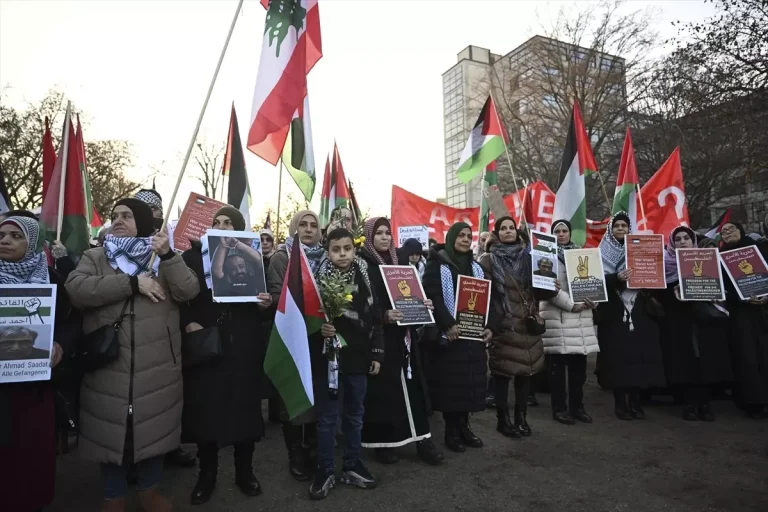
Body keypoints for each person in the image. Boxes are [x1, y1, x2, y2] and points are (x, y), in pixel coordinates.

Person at [65, 198, 199, 511]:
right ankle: (115, 496)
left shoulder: (163, 258)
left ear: (143, 219)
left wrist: (167, 256)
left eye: (127, 215)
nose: (118, 220)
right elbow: (77, 289)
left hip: (157, 367)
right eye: (114, 216)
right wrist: (131, 283)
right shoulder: (96, 256)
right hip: (108, 366)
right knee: (110, 434)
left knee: (153, 430)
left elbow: (188, 291)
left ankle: (149, 491)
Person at [179, 206, 273, 505]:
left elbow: (265, 295)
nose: (221, 226)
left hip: (245, 343)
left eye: (228, 223)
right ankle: (207, 475)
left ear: (240, 229)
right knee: (208, 410)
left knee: (245, 407)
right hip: (209, 343)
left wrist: (265, 303)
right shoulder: (193, 257)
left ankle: (244, 471)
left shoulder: (253, 256)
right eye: (216, 222)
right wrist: (187, 322)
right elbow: (179, 297)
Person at [0, 215, 81, 512]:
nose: (5, 240)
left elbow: (72, 323)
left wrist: (60, 344)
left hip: (34, 390)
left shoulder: (51, 279)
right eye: (2, 235)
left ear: (33, 243)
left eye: (15, 236)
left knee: (30, 460)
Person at [358, 218, 443, 466]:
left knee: (413, 388)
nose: (385, 237)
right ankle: (384, 444)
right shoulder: (363, 265)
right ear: (369, 236)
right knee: (384, 393)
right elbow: (361, 303)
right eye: (379, 233)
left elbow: (411, 296)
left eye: (388, 233)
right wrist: (383, 316)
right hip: (381, 339)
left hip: (405, 340)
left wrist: (423, 305)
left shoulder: (401, 263)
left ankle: (423, 440)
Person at [310, 228, 384, 499]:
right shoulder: (317, 279)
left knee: (355, 416)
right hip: (329, 360)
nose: (342, 254)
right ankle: (325, 469)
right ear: (327, 251)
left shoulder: (364, 276)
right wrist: (321, 328)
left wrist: (377, 353)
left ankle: (352, 464)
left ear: (354, 249)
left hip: (358, 360)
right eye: (336, 249)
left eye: (347, 249)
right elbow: (307, 319)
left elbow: (375, 317)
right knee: (328, 419)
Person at [479, 216, 553, 439]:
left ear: (517, 232)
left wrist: (552, 285)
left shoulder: (531, 257)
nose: (508, 231)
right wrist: (494, 323)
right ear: (497, 233)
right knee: (502, 376)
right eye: (503, 228)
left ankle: (522, 418)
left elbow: (541, 292)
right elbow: (487, 296)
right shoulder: (488, 260)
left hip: (528, 325)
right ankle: (503, 420)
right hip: (504, 326)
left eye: (511, 228)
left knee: (525, 375)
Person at [422, 222, 493, 452]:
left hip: (473, 337)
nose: (464, 239)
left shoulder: (477, 267)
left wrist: (489, 326)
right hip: (450, 337)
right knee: (451, 387)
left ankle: (465, 427)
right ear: (451, 237)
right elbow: (432, 296)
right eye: (460, 235)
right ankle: (451, 431)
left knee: (469, 385)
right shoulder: (436, 265)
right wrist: (448, 324)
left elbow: (490, 300)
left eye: (468, 235)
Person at [266, 210, 326, 481]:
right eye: (303, 224)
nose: (309, 229)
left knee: (316, 394)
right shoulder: (281, 257)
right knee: (292, 395)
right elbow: (278, 294)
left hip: (320, 338)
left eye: (314, 225)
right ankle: (295, 453)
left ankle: (312, 448)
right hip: (292, 336)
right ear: (294, 228)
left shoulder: (326, 257)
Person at [658, 225, 733, 421]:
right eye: (679, 239)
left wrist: (717, 295)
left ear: (694, 241)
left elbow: (720, 286)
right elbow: (659, 293)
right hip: (679, 321)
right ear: (673, 243)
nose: (683, 241)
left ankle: (706, 404)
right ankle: (689, 404)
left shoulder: (708, 261)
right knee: (685, 363)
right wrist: (674, 293)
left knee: (705, 363)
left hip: (703, 321)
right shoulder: (666, 264)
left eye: (687, 238)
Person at [597, 212, 666, 420]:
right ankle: (620, 404)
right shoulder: (600, 253)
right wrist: (616, 278)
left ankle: (636, 402)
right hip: (614, 312)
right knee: (618, 360)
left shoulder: (640, 249)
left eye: (624, 226)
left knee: (638, 358)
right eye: (616, 226)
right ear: (611, 230)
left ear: (629, 229)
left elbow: (654, 277)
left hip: (639, 310)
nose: (620, 229)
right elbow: (596, 280)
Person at [539, 219, 598, 425]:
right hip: (559, 319)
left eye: (565, 230)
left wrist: (594, 300)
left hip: (581, 320)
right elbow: (546, 289)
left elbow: (594, 283)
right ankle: (559, 409)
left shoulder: (581, 255)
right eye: (557, 231)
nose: (561, 234)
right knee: (557, 372)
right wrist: (571, 304)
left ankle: (577, 407)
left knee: (578, 371)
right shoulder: (545, 258)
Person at [719, 221, 768, 418]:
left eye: (731, 229)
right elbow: (721, 288)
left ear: (741, 230)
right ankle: (753, 402)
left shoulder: (761, 251)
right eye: (723, 231)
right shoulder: (720, 259)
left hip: (764, 311)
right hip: (740, 313)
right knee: (746, 357)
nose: (727, 232)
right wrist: (740, 297)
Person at [210, 233, 264, 298]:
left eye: (241, 266)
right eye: (233, 268)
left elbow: (259, 260)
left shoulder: (253, 279)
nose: (238, 271)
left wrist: (237, 244)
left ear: (246, 267)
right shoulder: (225, 283)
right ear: (227, 271)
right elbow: (216, 271)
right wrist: (223, 245)